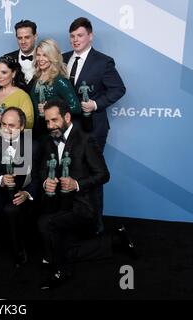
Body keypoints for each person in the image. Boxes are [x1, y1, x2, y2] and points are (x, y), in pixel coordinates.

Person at [37, 99, 135, 289]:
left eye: (54, 120)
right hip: (58, 202)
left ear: (66, 116)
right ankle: (116, 241)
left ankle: (63, 270)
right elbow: (42, 169)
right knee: (47, 230)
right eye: (47, 121)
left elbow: (103, 175)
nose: (50, 126)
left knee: (49, 226)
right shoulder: (49, 139)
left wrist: (77, 184)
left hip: (82, 205)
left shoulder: (86, 139)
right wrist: (45, 181)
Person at [63, 17, 126, 232]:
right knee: (68, 174)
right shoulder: (62, 59)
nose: (75, 40)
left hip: (93, 128)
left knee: (93, 176)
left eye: (80, 35)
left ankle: (96, 226)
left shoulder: (103, 61)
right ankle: (74, 223)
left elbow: (118, 89)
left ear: (90, 36)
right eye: (72, 36)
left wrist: (96, 104)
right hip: (68, 129)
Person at [0, 107, 40, 267]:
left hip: (20, 193)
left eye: (11, 126)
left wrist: (27, 193)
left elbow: (37, 176)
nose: (6, 129)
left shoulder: (33, 146)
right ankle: (9, 236)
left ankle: (19, 249)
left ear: (21, 127)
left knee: (11, 210)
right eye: (4, 124)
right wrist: (0, 179)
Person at [30, 39, 81, 139]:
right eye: (38, 55)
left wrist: (51, 110)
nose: (40, 59)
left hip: (54, 133)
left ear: (52, 57)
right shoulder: (36, 78)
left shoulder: (59, 80)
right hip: (38, 131)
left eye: (45, 55)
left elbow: (76, 108)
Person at [0, 55, 34, 131]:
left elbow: (29, 124)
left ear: (13, 74)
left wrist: (6, 121)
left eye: (4, 72)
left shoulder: (22, 96)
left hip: (11, 140)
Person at [5, 20, 38, 93]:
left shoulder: (46, 58)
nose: (23, 42)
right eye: (20, 38)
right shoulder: (7, 59)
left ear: (35, 36)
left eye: (27, 37)